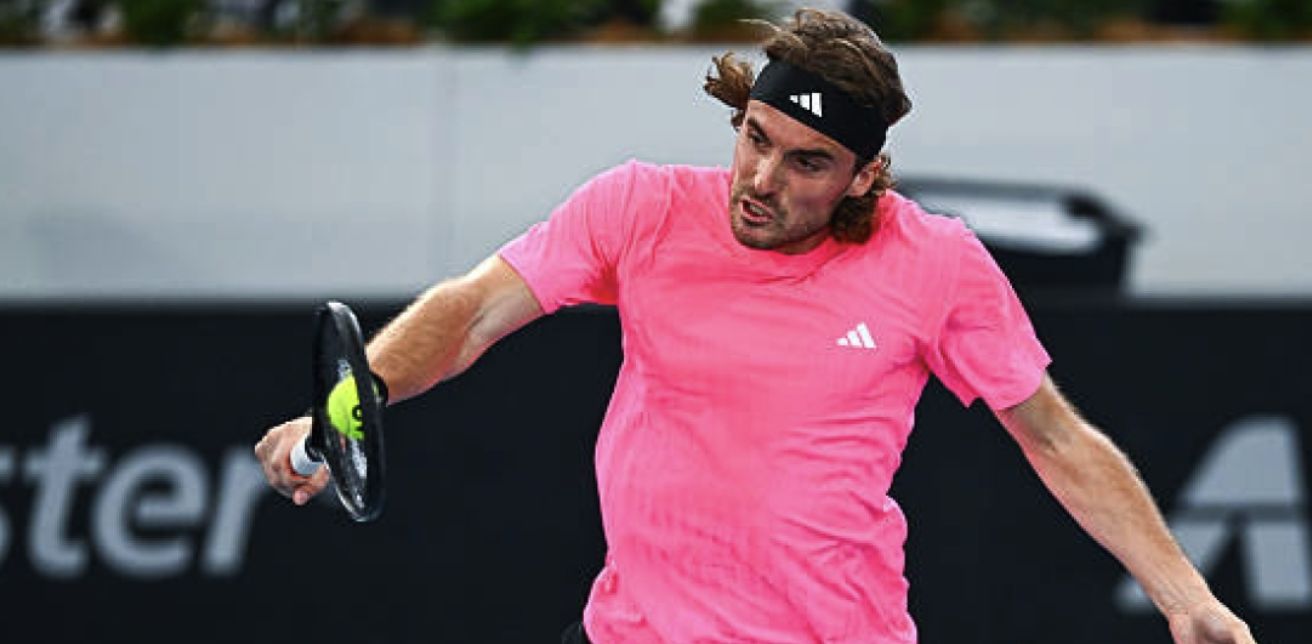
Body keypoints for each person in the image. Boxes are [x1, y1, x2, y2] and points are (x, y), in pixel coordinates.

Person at [255, 8, 1255, 644]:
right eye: (754, 138)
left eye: (806, 162)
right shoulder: (639, 207)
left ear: (864, 173)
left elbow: (1055, 436)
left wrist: (1184, 594)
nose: (762, 180)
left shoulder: (936, 262)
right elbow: (471, 310)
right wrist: (343, 406)